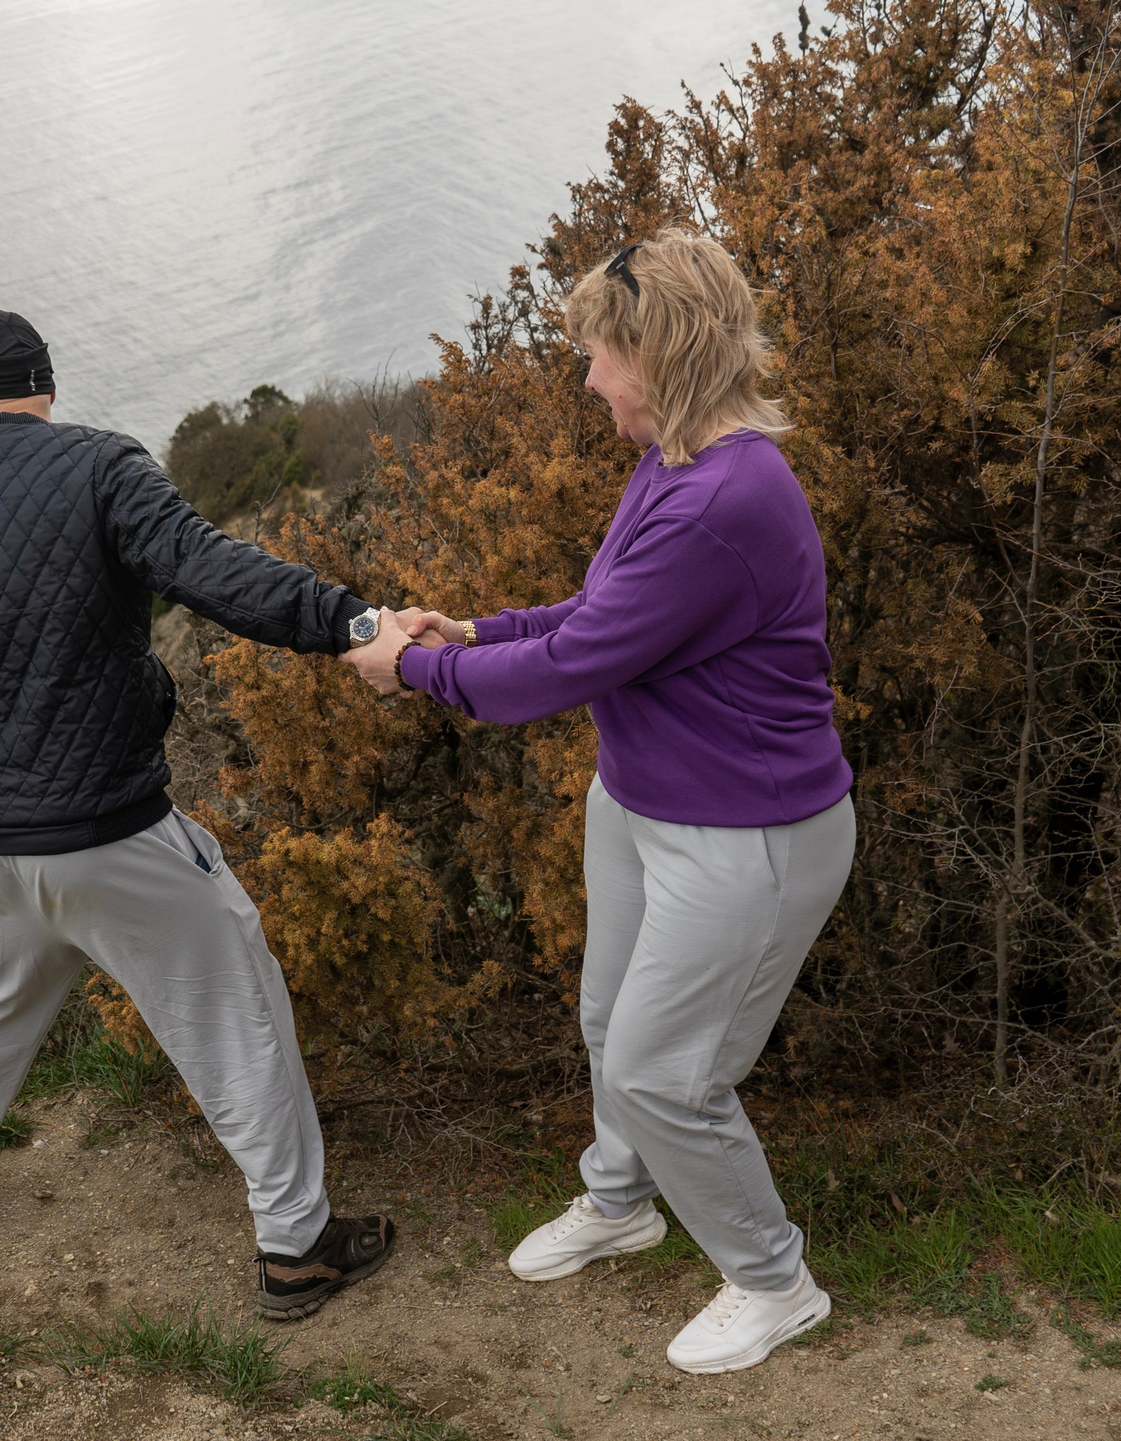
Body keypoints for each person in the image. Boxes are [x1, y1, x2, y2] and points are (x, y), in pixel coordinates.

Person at [341, 229, 855, 1373]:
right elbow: (595, 614)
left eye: (598, 355)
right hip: (643, 805)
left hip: (746, 838)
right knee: (606, 1025)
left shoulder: (723, 499)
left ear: (657, 352)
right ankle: (620, 1203)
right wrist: (471, 629)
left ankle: (773, 1280)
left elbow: (569, 671)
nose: (585, 379)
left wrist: (412, 667)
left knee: (663, 1072)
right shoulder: (675, 463)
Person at [0, 309, 400, 1320]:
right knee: (235, 1006)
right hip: (106, 827)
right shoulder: (100, 467)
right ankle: (297, 1248)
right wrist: (348, 622)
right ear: (47, 386)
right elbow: (208, 571)